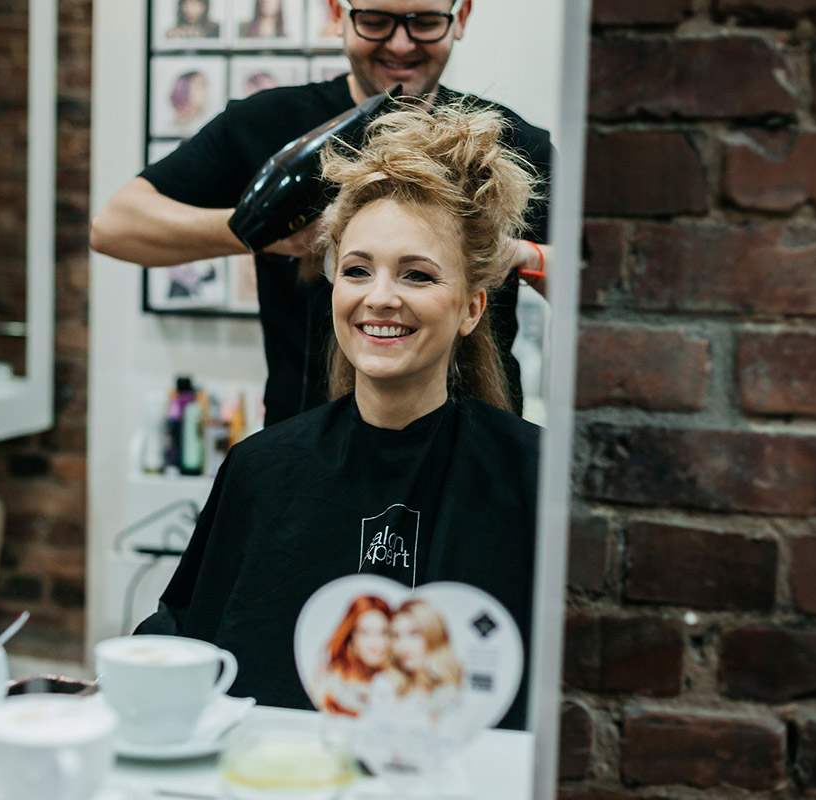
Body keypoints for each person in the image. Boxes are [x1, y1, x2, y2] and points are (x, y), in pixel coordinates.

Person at [135, 103, 540, 730]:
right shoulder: (260, 470)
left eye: (417, 275)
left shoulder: (533, 476)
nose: (380, 297)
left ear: (471, 308)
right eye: (356, 271)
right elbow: (184, 640)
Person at [91, 0, 552, 426]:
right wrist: (260, 232)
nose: (400, 44)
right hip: (304, 442)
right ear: (337, 14)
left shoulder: (503, 142)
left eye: (426, 23)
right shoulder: (269, 125)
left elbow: (591, 279)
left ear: (461, 17)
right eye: (375, 22)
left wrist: (524, 255)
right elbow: (114, 227)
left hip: (478, 443)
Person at [315, 595, 393, 716]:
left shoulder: (399, 682)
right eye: (364, 632)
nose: (374, 642)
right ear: (351, 636)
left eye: (382, 632)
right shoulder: (330, 683)